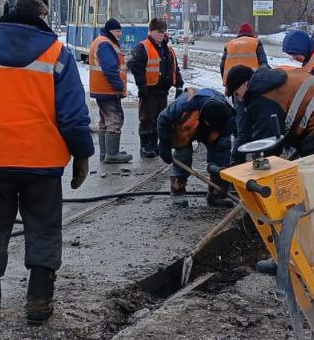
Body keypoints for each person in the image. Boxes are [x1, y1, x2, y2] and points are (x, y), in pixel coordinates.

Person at [0, 0, 94, 325]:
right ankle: (39, 303)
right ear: (42, 14)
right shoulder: (57, 53)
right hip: (42, 163)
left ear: (5, 9)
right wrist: (82, 154)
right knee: (43, 231)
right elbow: (72, 114)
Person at [226, 64, 314, 161]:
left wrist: (262, 164)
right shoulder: (272, 78)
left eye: (237, 94)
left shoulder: (261, 97)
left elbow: (268, 139)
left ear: (245, 83)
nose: (239, 99)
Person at [156, 88, 236, 208]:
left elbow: (227, 147)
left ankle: (216, 194)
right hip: (187, 128)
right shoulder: (184, 104)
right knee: (183, 154)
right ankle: (178, 191)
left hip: (215, 130)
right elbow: (163, 119)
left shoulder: (228, 116)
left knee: (221, 154)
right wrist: (164, 146)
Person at [128, 17, 183, 159]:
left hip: (162, 91)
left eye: (163, 32)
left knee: (160, 119)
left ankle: (154, 144)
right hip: (149, 90)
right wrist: (142, 86)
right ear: (151, 31)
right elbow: (136, 67)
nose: (161, 34)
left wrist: (179, 84)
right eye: (158, 31)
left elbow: (174, 69)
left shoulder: (168, 50)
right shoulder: (143, 47)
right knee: (147, 119)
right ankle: (146, 146)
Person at [88, 18, 133, 163]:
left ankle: (105, 152)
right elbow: (110, 68)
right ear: (110, 31)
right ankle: (112, 154)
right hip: (108, 89)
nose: (120, 34)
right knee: (115, 119)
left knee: (105, 120)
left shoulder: (101, 41)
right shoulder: (106, 44)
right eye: (117, 31)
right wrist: (119, 85)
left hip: (100, 88)